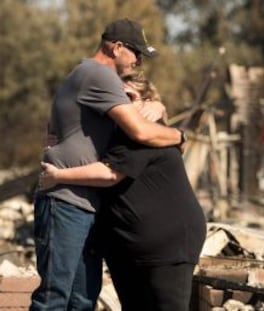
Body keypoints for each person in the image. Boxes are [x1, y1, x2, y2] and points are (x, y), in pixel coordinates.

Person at [30, 18, 186, 311]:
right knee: (53, 300)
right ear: (116, 48)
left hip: (82, 204)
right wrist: (180, 134)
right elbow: (140, 131)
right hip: (65, 201)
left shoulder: (84, 75)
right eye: (136, 52)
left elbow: (56, 128)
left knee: (81, 301)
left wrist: (156, 105)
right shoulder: (99, 75)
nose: (139, 61)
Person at [39, 72, 207, 311]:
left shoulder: (145, 132)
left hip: (167, 246)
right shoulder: (111, 132)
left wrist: (58, 176)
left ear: (145, 101)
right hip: (126, 247)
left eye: (127, 95)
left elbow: (110, 173)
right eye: (113, 96)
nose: (117, 102)